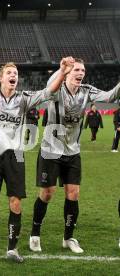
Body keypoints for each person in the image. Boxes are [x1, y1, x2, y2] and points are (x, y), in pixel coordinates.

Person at [0, 38, 72, 263]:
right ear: (1, 77)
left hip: (16, 157)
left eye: (16, 73)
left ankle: (12, 248)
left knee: (15, 203)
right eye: (9, 72)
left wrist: (62, 71)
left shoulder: (23, 99)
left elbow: (48, 92)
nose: (13, 75)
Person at [30, 58, 120, 254]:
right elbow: (48, 88)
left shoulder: (86, 91)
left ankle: (68, 238)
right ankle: (35, 234)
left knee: (74, 193)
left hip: (72, 151)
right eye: (77, 70)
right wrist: (62, 70)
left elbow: (110, 95)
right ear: (68, 73)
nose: (81, 73)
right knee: (47, 194)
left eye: (83, 70)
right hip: (51, 151)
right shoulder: (57, 88)